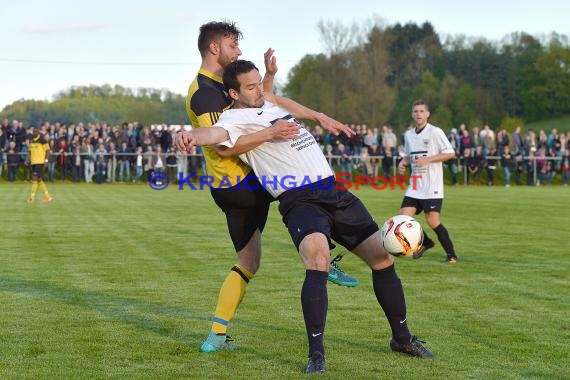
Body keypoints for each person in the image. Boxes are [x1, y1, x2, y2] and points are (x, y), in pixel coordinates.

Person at [179, 59, 433, 374]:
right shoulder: (234, 119)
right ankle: (316, 355)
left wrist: (320, 116)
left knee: (383, 259)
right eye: (251, 86)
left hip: (333, 192)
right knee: (318, 260)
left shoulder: (266, 103)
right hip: (299, 201)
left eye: (260, 82)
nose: (260, 89)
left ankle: (403, 339)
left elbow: (283, 102)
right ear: (233, 92)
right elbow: (213, 134)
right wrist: (190, 135)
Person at [179, 21, 357, 353]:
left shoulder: (222, 84)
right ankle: (324, 258)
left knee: (249, 260)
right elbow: (224, 143)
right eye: (233, 45)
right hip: (239, 185)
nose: (239, 51)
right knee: (305, 196)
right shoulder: (205, 93)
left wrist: (270, 81)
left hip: (247, 181)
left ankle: (216, 334)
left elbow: (261, 106)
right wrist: (271, 135)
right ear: (214, 48)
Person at [397, 100, 458, 264]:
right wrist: (403, 162)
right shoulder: (408, 135)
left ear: (427, 114)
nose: (418, 114)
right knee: (403, 217)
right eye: (415, 111)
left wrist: (428, 159)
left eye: (421, 111)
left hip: (432, 186)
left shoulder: (435, 132)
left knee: (433, 221)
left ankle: (451, 255)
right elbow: (409, 156)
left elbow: (450, 153)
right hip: (415, 185)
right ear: (412, 114)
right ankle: (425, 242)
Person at [27, 127, 53, 203]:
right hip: (33, 162)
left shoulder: (43, 140)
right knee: (39, 180)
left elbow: (48, 151)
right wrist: (29, 159)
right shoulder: (31, 141)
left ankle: (32, 197)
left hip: (40, 162)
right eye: (33, 131)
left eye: (36, 131)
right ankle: (48, 197)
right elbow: (29, 151)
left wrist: (46, 160)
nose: (34, 133)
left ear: (38, 133)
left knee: (34, 178)